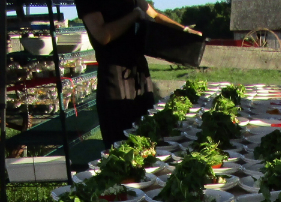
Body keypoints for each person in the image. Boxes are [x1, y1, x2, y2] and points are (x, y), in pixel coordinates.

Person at [77, 0, 200, 147]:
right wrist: (134, 15)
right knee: (121, 143)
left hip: (140, 74)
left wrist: (184, 30)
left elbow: (155, 15)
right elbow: (103, 35)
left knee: (149, 137)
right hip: (114, 77)